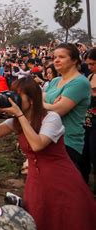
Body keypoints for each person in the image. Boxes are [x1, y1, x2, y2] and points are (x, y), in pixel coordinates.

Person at [0, 77, 96, 230]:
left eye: (17, 95)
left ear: (31, 100)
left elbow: (37, 144)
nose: (12, 99)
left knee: (66, 223)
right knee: (41, 220)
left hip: (61, 179)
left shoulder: (51, 118)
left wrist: (20, 115)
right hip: (36, 180)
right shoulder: (16, 121)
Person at [43, 43, 90, 173]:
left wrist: (48, 105)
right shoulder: (55, 81)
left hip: (67, 141)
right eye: (54, 57)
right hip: (47, 136)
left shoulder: (80, 82)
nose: (56, 60)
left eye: (61, 57)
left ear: (74, 60)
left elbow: (59, 110)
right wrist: (50, 105)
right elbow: (40, 98)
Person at [82, 48, 96, 192]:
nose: (90, 67)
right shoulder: (90, 77)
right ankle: (83, 189)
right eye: (88, 64)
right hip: (86, 122)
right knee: (84, 156)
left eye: (92, 64)